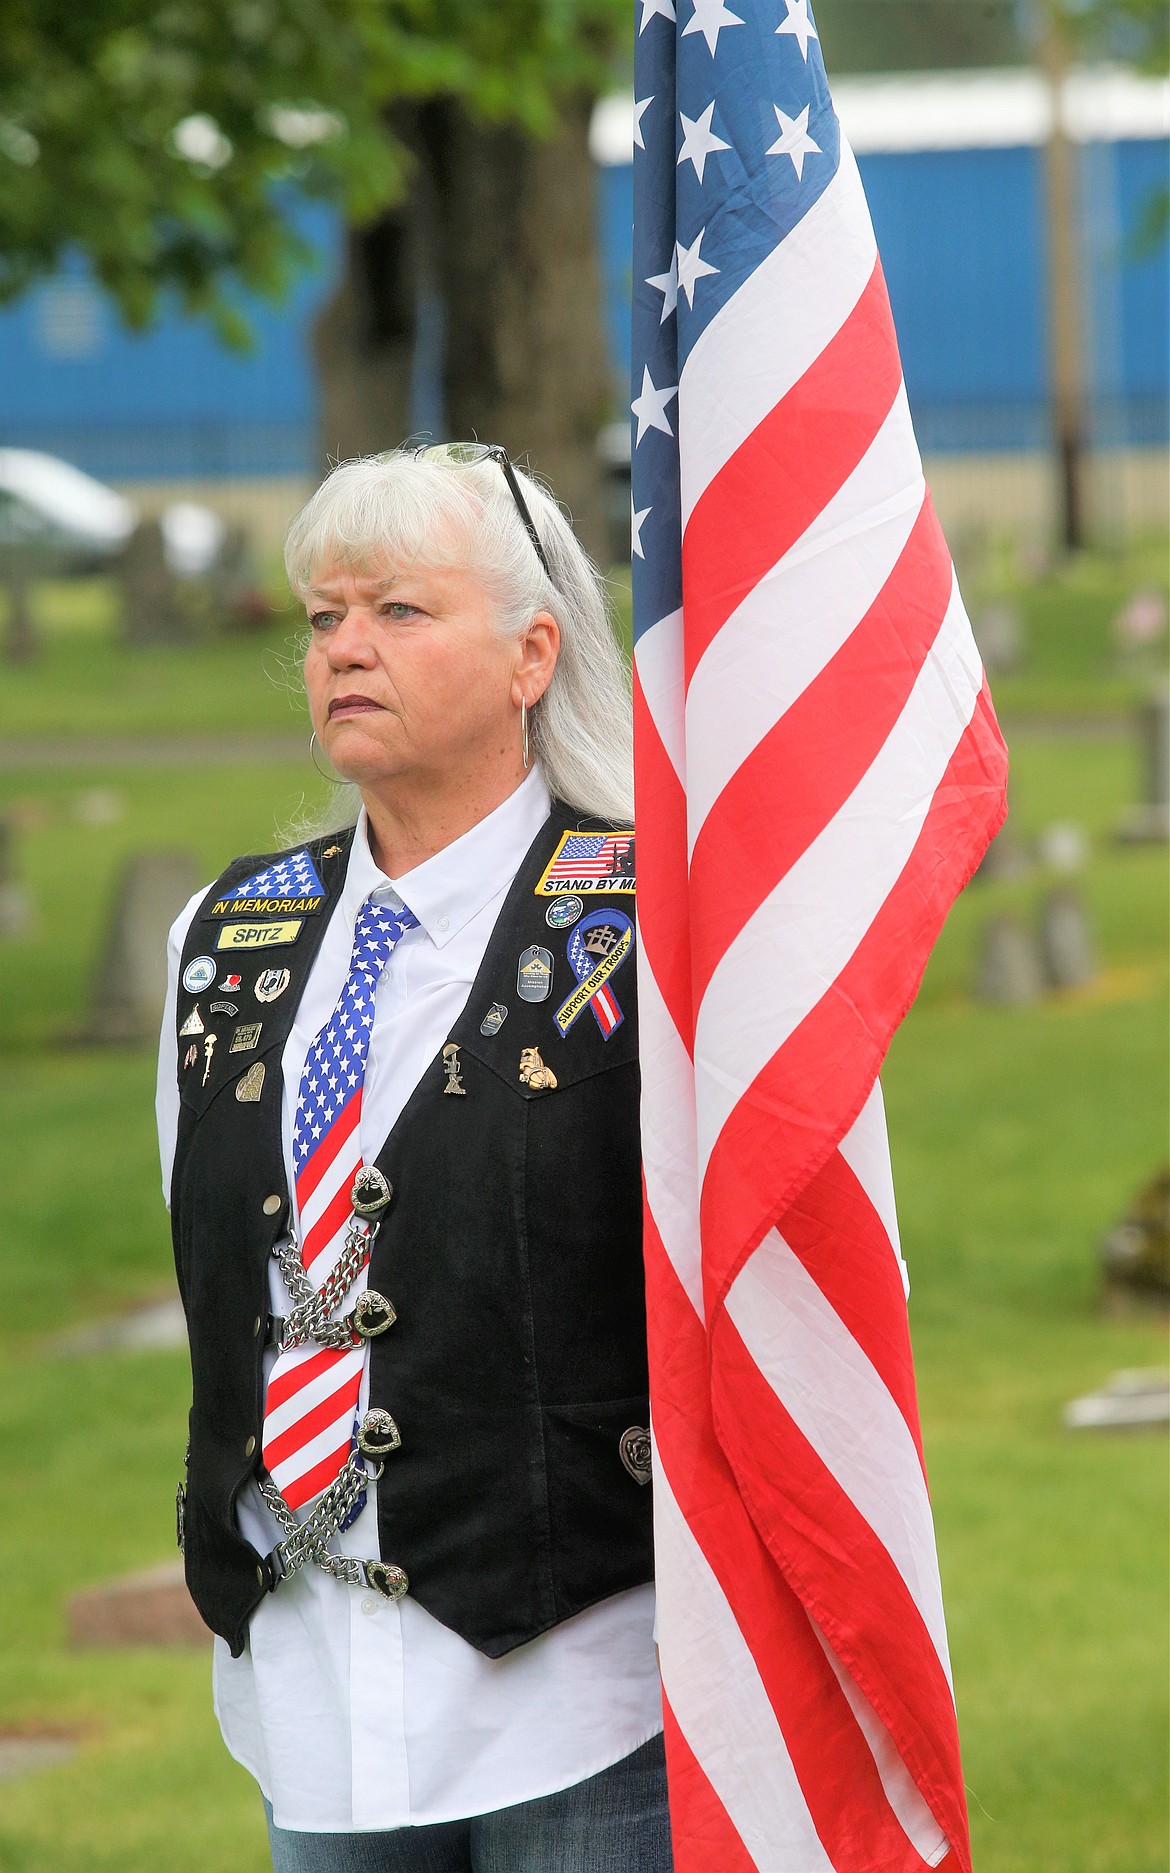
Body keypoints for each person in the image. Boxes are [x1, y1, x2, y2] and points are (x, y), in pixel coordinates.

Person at [156, 444, 670, 1873]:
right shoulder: (227, 939)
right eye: (324, 618)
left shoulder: (648, 921)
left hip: (576, 1674)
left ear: (530, 653)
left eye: (397, 611)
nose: (345, 650)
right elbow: (220, 1261)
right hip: (311, 1684)